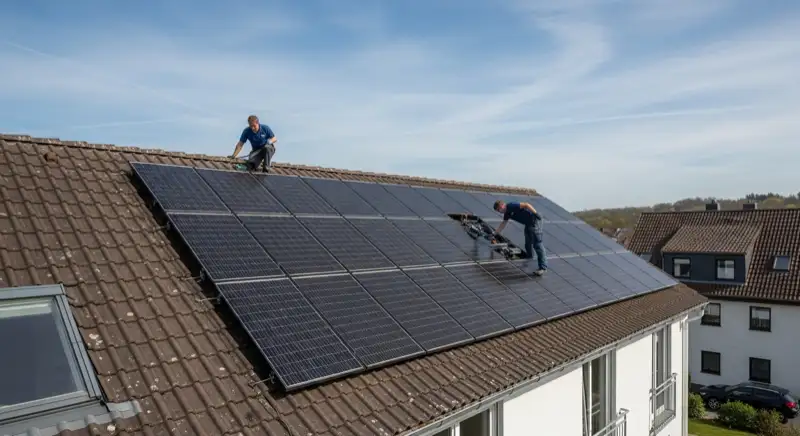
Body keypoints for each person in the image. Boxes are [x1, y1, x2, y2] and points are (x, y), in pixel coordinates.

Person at [492, 199, 547, 275]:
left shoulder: (511, 205)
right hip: (528, 224)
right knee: (527, 243)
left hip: (535, 221)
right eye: (498, 211)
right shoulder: (507, 213)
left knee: (537, 244)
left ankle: (543, 268)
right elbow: (503, 223)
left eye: (499, 210)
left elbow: (526, 205)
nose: (500, 212)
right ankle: (529, 258)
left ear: (502, 205)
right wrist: (495, 233)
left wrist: (536, 213)